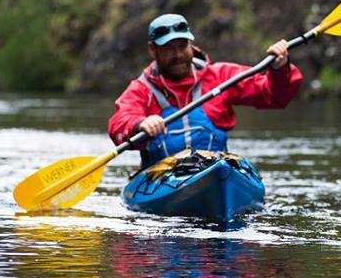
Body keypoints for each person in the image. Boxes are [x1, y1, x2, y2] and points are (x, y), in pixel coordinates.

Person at [108, 13, 303, 168]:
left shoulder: (221, 76)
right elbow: (119, 122)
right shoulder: (142, 89)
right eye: (168, 48)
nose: (177, 55)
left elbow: (273, 96)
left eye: (182, 46)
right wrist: (139, 124)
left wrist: (280, 69)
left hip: (216, 169)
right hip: (160, 176)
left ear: (191, 44)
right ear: (153, 50)